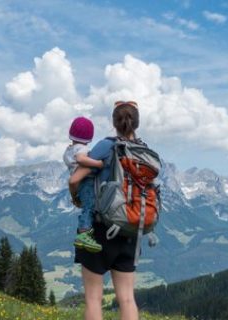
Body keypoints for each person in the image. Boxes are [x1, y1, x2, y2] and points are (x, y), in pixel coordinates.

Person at [69, 100, 142, 320]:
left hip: (101, 228)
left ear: (114, 122)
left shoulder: (105, 146)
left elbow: (75, 179)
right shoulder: (143, 151)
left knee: (93, 299)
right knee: (127, 299)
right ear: (136, 123)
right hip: (131, 228)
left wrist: (77, 199)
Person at [63, 116, 104, 253]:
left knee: (87, 205)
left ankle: (85, 231)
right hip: (86, 181)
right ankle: (84, 233)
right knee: (89, 206)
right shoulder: (82, 150)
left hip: (79, 184)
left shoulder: (68, 151)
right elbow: (81, 159)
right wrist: (98, 164)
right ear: (90, 137)